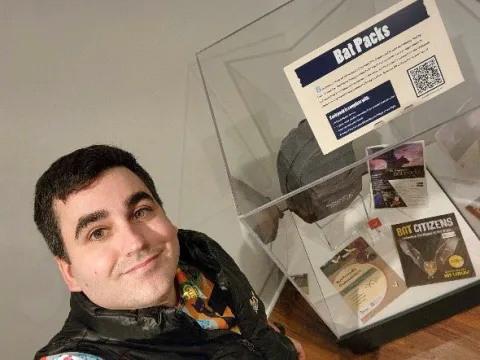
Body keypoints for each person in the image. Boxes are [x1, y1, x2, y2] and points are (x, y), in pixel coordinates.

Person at [33, 145, 305, 360]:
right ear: (69, 272)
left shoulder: (197, 254)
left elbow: (244, 321)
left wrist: (273, 342)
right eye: (97, 233)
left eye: (141, 212)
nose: (134, 243)